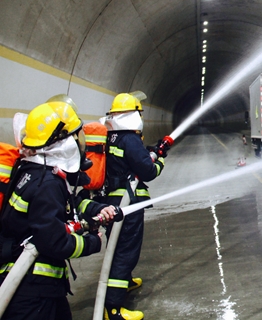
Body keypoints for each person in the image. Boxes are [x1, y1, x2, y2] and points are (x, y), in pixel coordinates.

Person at [0, 100, 118, 320]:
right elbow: (54, 242)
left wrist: (97, 209)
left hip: (36, 286)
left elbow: (66, 205)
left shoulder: (32, 169)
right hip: (33, 292)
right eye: (75, 137)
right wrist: (92, 243)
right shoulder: (47, 184)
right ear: (62, 142)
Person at [102, 92, 167, 320]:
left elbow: (128, 162)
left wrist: (150, 152)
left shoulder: (111, 136)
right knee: (125, 252)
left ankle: (126, 282)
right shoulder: (129, 138)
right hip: (127, 204)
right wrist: (160, 160)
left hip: (112, 202)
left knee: (117, 247)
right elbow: (148, 171)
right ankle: (113, 309)